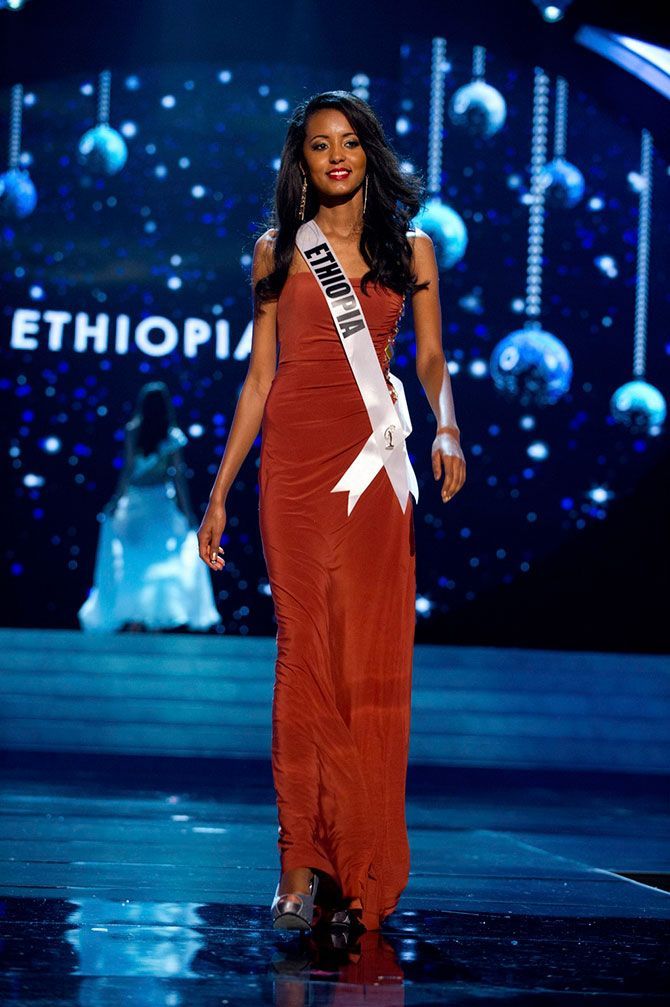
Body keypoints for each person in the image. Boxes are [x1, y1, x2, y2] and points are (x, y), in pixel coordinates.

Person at [197, 91, 465, 933]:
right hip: (295, 474)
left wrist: (448, 427)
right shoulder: (275, 252)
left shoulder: (411, 247)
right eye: (320, 146)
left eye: (350, 143)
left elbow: (428, 356)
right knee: (300, 653)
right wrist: (220, 490)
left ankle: (359, 862)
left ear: (368, 154)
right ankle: (296, 862)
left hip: (372, 473)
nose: (337, 157)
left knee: (362, 663)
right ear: (302, 161)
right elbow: (257, 377)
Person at [79, 381, 220, 633]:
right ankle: (143, 618)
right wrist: (187, 512)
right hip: (154, 506)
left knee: (135, 563)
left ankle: (141, 618)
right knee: (158, 562)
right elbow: (178, 477)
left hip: (141, 505)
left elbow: (129, 472)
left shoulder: (144, 432)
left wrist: (114, 502)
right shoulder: (167, 435)